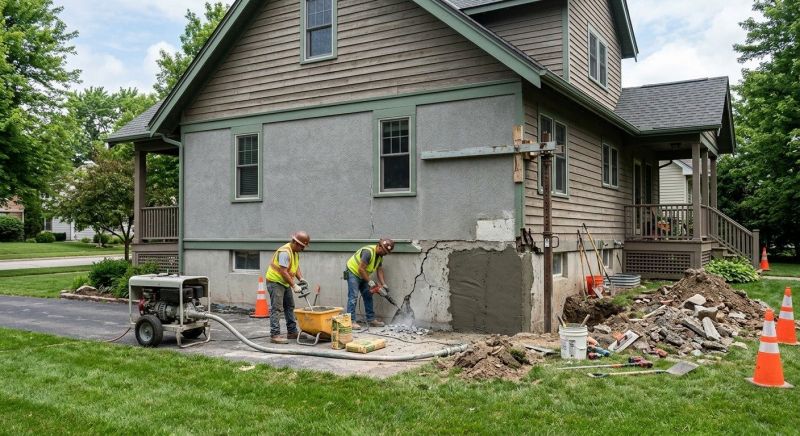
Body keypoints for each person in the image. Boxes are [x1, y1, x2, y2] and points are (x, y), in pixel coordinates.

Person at [265, 231, 310, 343]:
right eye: (302, 246)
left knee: (289, 306)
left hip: (284, 282)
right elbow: (283, 272)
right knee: (277, 308)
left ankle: (292, 332)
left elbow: (295, 266)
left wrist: (301, 278)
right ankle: (274, 335)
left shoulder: (295, 252)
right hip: (275, 282)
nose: (303, 249)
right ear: (295, 242)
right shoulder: (285, 252)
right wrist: (294, 285)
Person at [345, 238, 394, 329]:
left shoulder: (380, 256)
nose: (385, 253)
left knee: (368, 295)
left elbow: (379, 270)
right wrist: (370, 282)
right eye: (384, 251)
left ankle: (371, 319)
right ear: (379, 246)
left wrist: (383, 284)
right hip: (353, 272)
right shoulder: (368, 252)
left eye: (386, 252)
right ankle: (350, 321)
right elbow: (360, 269)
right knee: (353, 296)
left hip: (363, 274)